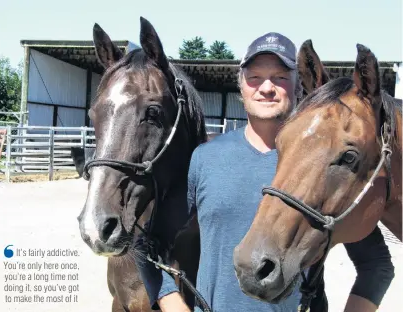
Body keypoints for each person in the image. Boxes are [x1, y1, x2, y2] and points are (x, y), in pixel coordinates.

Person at [136, 32, 395, 312]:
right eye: (255, 77)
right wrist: (174, 304)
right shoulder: (205, 158)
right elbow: (147, 245)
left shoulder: (329, 166)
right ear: (241, 87)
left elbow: (375, 266)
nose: (267, 87)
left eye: (280, 77)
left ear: (299, 88)